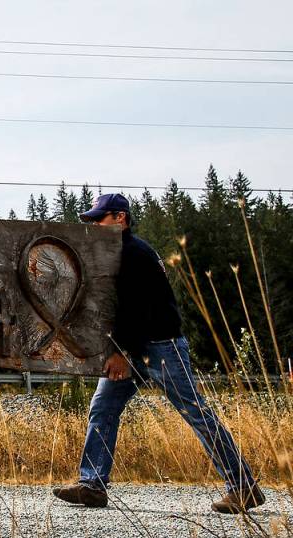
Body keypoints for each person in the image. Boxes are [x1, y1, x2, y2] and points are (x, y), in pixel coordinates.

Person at [52, 193, 264, 514]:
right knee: (103, 407)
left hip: (161, 347)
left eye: (99, 219)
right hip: (136, 346)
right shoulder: (117, 252)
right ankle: (93, 484)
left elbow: (139, 312)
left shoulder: (134, 254)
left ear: (120, 218)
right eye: (91, 220)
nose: (94, 225)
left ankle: (243, 486)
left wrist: (121, 352)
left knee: (196, 413)